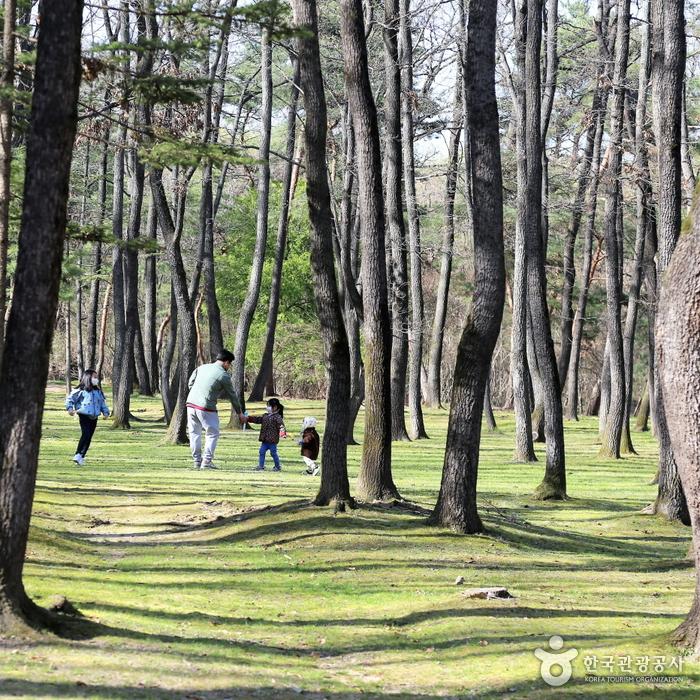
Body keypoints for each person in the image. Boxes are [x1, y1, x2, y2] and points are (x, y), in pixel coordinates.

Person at [186, 349, 244, 470]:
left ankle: (197, 461)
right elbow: (232, 395)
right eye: (230, 364)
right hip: (206, 407)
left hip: (191, 404)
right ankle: (206, 462)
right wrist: (239, 413)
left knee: (194, 433)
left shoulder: (202, 367)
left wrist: (197, 394)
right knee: (212, 434)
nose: (229, 366)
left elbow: (190, 383)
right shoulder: (223, 375)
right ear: (226, 362)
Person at [65, 369, 110, 465]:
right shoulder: (81, 390)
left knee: (89, 437)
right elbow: (70, 399)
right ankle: (77, 454)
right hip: (84, 415)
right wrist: (69, 409)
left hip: (94, 417)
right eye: (94, 377)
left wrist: (106, 412)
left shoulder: (98, 391)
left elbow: (102, 403)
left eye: (96, 377)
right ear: (88, 378)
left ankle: (81, 456)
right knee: (85, 434)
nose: (96, 379)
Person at [244, 398, 285, 471]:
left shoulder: (277, 417)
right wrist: (249, 419)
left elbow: (281, 426)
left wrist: (282, 433)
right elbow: (258, 419)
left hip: (272, 440)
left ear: (275, 407)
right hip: (264, 440)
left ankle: (277, 466)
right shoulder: (265, 416)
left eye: (269, 406)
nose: (267, 407)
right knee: (261, 452)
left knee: (273, 453)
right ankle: (261, 466)